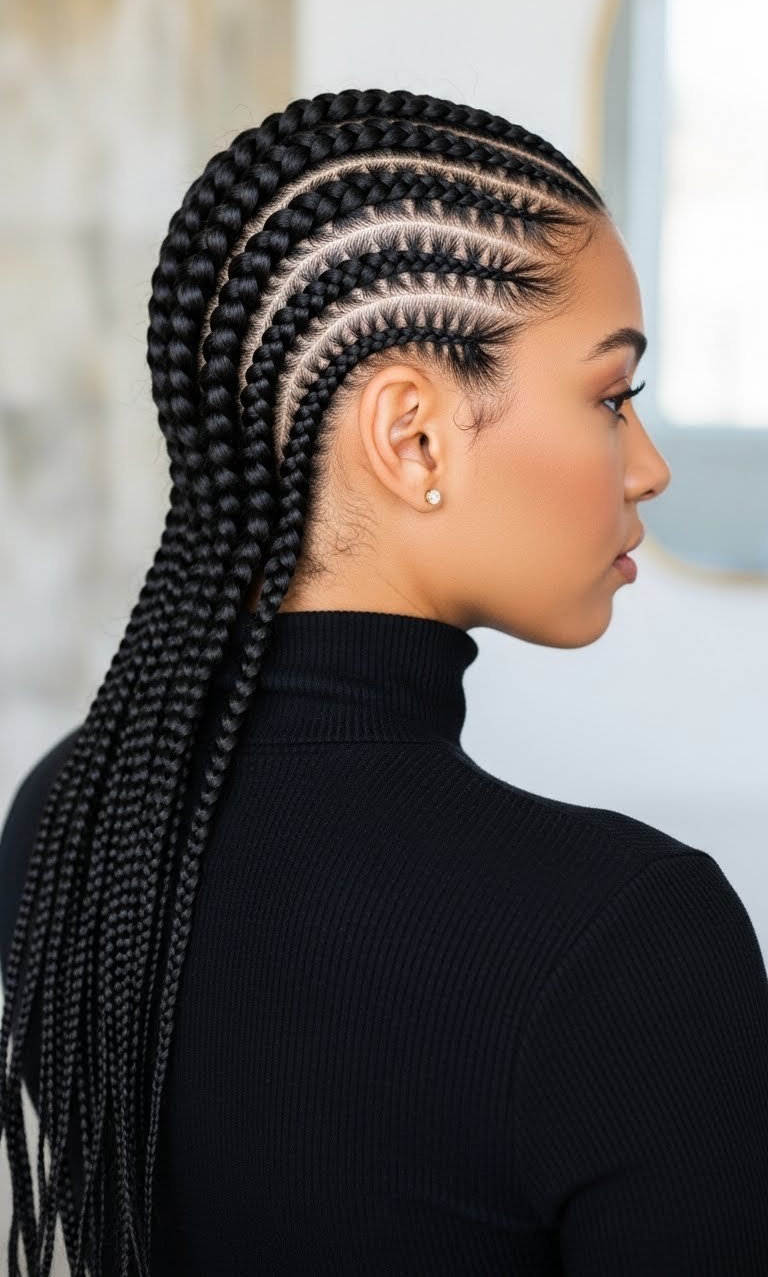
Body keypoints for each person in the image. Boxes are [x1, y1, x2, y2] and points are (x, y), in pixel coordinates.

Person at [0, 85, 766, 1276]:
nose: (648, 466)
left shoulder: (70, 821)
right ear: (413, 438)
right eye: (612, 396)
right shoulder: (628, 942)